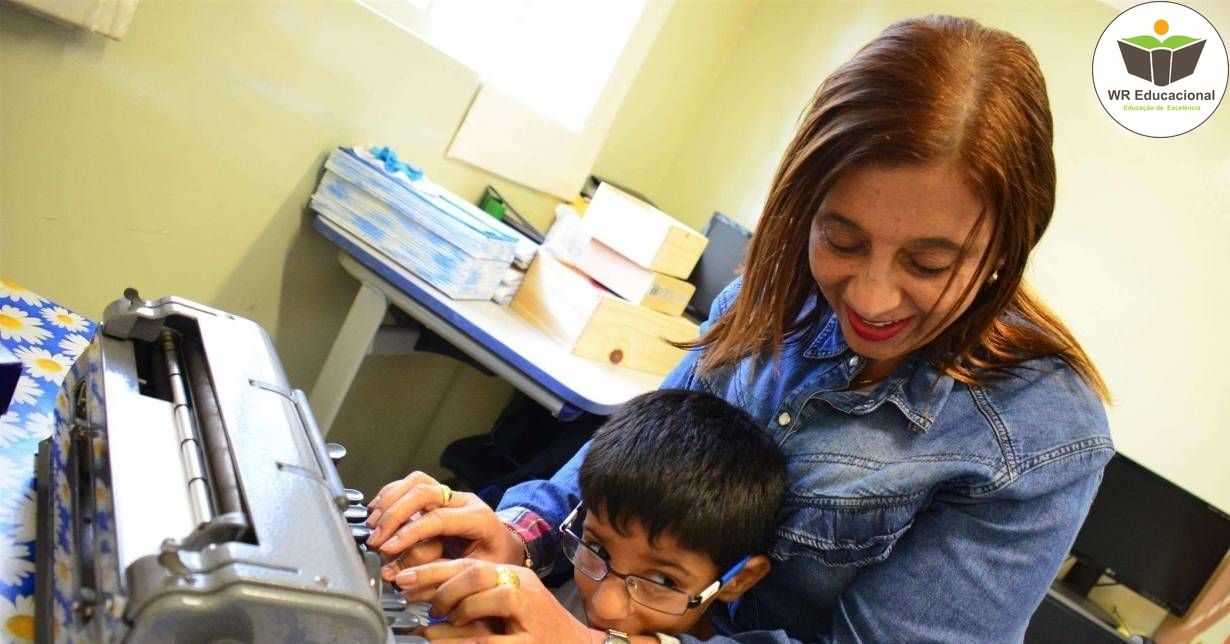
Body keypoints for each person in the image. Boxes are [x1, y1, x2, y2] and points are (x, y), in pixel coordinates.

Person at [364, 14, 1114, 643]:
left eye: (928, 262)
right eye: (841, 240)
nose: (872, 295)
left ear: (1007, 246)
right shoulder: (768, 297)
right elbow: (628, 463)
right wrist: (518, 537)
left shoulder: (1038, 438)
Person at [393, 389, 787, 641]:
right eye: (597, 547)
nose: (605, 606)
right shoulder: (563, 583)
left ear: (739, 580)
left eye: (662, 579)